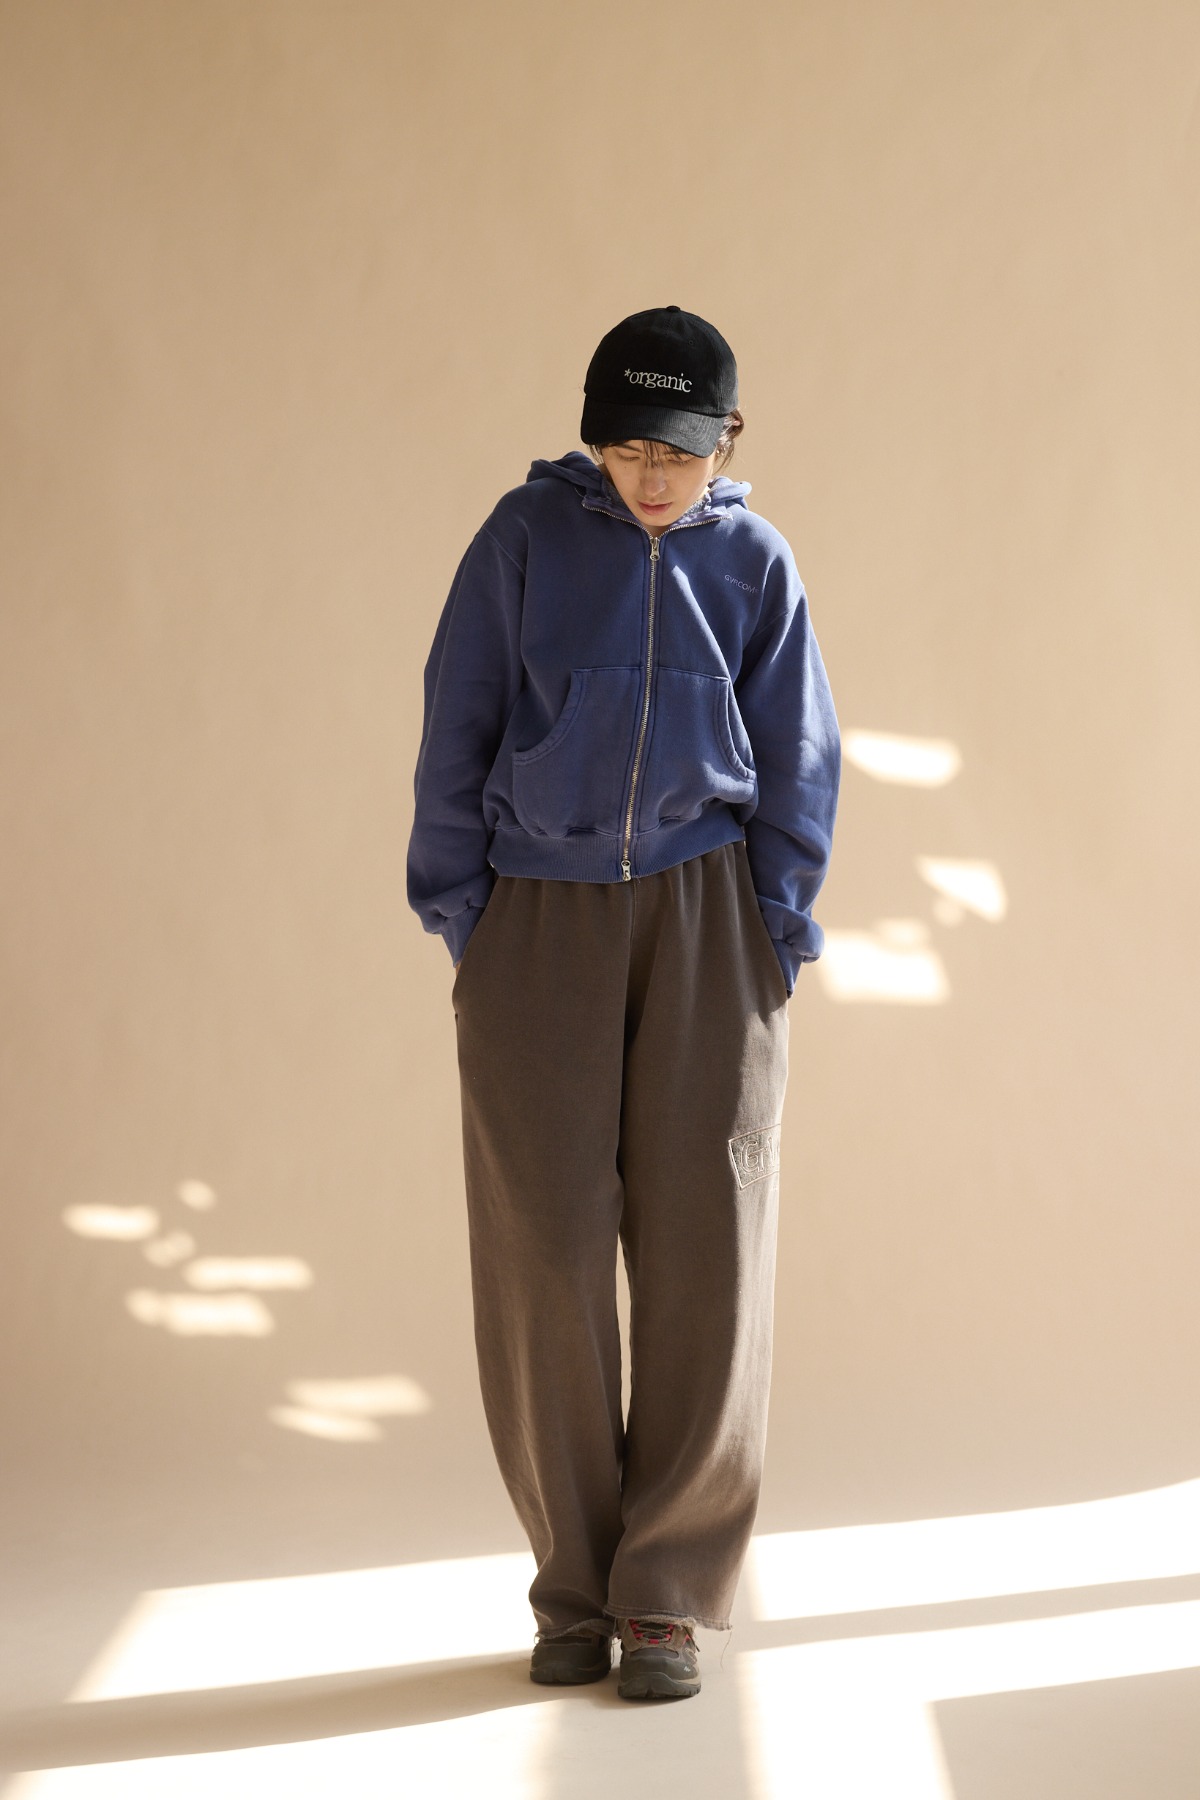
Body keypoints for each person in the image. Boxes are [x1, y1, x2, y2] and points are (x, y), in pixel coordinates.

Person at [407, 305, 840, 1701]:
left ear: (728, 441)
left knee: (709, 1243)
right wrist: (468, 918)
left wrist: (774, 931)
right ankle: (574, 1587)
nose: (654, 475)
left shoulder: (756, 563)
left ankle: (666, 1596)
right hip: (536, 916)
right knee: (544, 1252)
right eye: (631, 445)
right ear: (595, 436)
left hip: (711, 914)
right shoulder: (523, 540)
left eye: (681, 449)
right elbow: (458, 718)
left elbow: (800, 752)